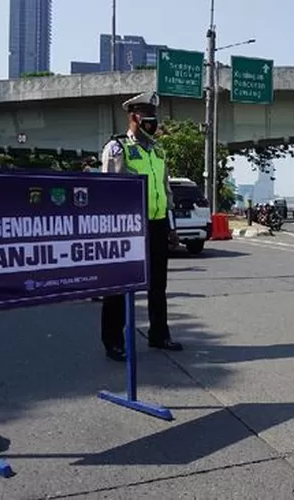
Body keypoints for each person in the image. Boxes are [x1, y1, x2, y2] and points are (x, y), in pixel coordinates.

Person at [99, 91, 182, 361]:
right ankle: (113, 341)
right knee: (121, 285)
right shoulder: (117, 148)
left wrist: (171, 226)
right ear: (134, 118)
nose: (154, 124)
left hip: (157, 224)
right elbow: (109, 194)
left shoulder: (158, 150)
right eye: (148, 119)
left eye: (155, 119)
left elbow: (165, 191)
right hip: (129, 228)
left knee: (158, 284)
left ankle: (159, 334)